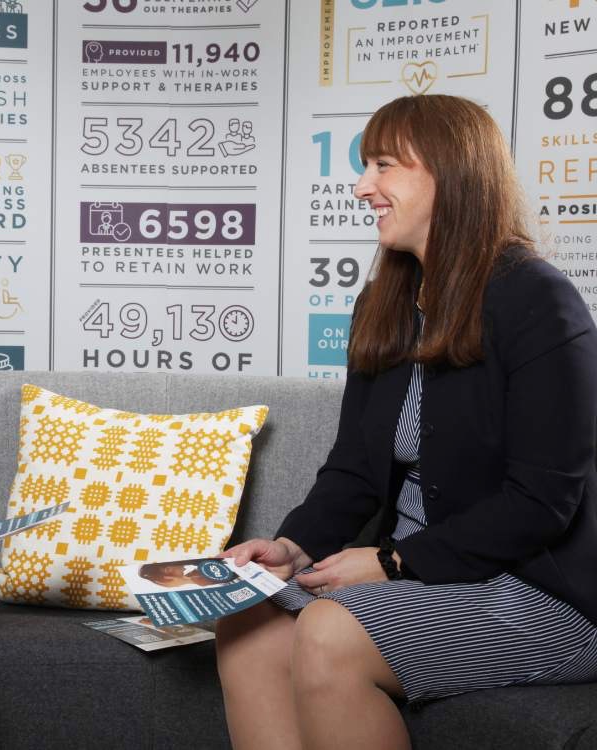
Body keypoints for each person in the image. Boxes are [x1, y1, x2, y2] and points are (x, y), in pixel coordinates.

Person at [215, 94, 597, 750]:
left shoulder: (537, 301)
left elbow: (541, 504)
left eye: (383, 165)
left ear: (450, 173)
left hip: (536, 594)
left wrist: (394, 561)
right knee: (243, 621)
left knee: (328, 632)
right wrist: (292, 547)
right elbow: (353, 470)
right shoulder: (384, 300)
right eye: (365, 166)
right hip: (422, 573)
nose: (362, 186)